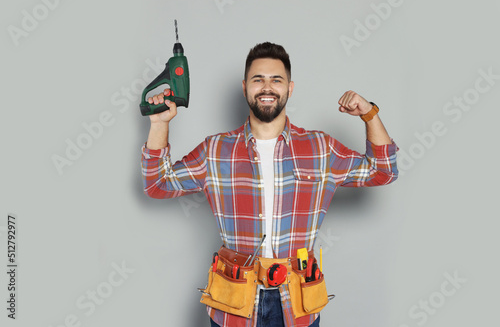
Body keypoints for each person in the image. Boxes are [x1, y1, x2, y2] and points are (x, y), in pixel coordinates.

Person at [141, 42, 398, 327]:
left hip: (297, 304)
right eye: (257, 79)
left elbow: (383, 171)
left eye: (276, 79)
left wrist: (370, 114)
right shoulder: (215, 150)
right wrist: (159, 124)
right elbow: (157, 184)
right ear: (244, 87)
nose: (267, 87)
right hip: (234, 305)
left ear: (290, 88)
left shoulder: (320, 149)